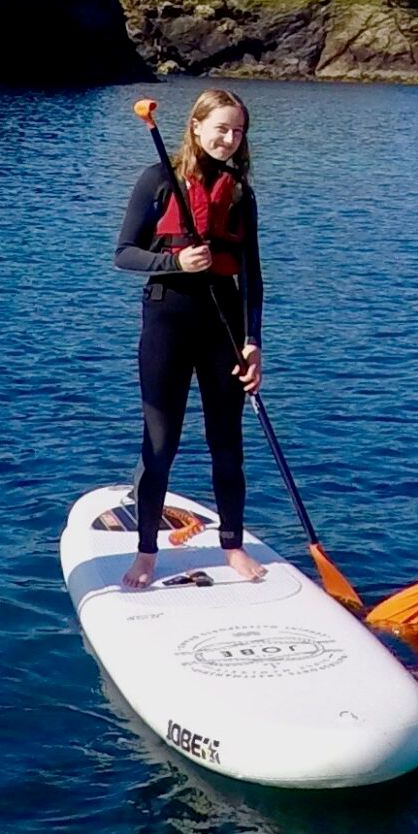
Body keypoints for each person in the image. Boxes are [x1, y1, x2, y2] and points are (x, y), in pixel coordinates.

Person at [114, 88, 264, 590]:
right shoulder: (158, 180)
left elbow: (253, 278)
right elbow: (125, 254)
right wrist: (172, 261)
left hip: (221, 324)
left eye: (237, 131)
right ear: (196, 127)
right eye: (220, 128)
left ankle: (233, 545)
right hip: (167, 320)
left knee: (228, 443)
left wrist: (253, 342)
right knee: (160, 444)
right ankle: (146, 553)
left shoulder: (241, 193)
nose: (228, 138)